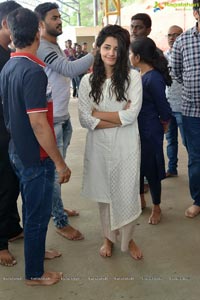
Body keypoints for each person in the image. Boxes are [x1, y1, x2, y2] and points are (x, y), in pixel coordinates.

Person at [0, 7, 71, 285]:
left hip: (17, 150)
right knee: (37, 215)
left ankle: (36, 254)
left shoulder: (9, 65)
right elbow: (39, 124)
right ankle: (34, 273)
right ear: (38, 31)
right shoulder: (33, 71)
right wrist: (59, 161)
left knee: (31, 208)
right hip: (34, 155)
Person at [78, 25, 143, 259]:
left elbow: (131, 115)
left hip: (126, 145)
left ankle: (128, 239)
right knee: (105, 195)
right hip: (99, 146)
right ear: (99, 48)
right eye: (107, 47)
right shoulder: (87, 81)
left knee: (126, 191)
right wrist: (117, 118)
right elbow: (84, 119)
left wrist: (99, 114)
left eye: (117, 48)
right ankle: (108, 238)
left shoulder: (132, 77)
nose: (111, 53)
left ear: (123, 50)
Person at [35, 2, 94, 240]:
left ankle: (56, 208)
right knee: (55, 175)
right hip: (52, 123)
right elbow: (68, 70)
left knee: (58, 174)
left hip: (62, 118)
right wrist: (97, 50)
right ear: (41, 23)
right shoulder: (42, 48)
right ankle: (59, 220)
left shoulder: (54, 45)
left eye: (60, 17)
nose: (59, 21)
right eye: (54, 17)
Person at [130, 37, 172, 225]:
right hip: (135, 129)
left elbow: (163, 106)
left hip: (149, 129)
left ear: (137, 57)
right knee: (137, 166)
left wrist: (164, 122)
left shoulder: (153, 78)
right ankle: (140, 198)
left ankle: (156, 206)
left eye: (131, 54)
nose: (129, 57)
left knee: (152, 167)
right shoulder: (138, 75)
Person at [171, 0, 200, 218]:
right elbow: (178, 72)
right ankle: (198, 200)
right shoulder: (183, 41)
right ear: (196, 12)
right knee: (196, 157)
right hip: (193, 111)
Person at [0, 0, 23, 267]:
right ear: (7, 24)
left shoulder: (8, 53)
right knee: (4, 187)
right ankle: (1, 243)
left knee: (12, 184)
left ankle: (12, 227)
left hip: (9, 130)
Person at [164, 25, 186, 178]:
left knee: (188, 142)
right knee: (170, 140)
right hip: (167, 105)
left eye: (176, 35)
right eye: (169, 35)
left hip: (184, 106)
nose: (172, 38)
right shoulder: (162, 57)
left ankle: (196, 171)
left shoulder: (187, 55)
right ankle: (172, 169)